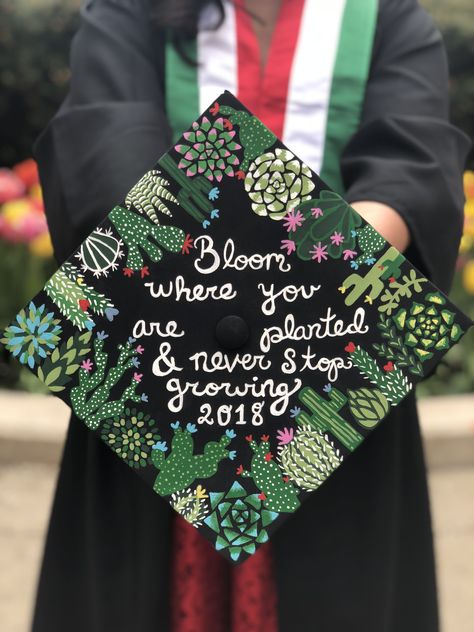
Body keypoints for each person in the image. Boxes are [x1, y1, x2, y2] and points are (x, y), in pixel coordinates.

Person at [31, 1, 470, 631]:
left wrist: (304, 274)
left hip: (329, 370)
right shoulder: (133, 10)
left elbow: (415, 158)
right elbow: (104, 148)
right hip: (162, 360)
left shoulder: (385, 15)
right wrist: (233, 281)